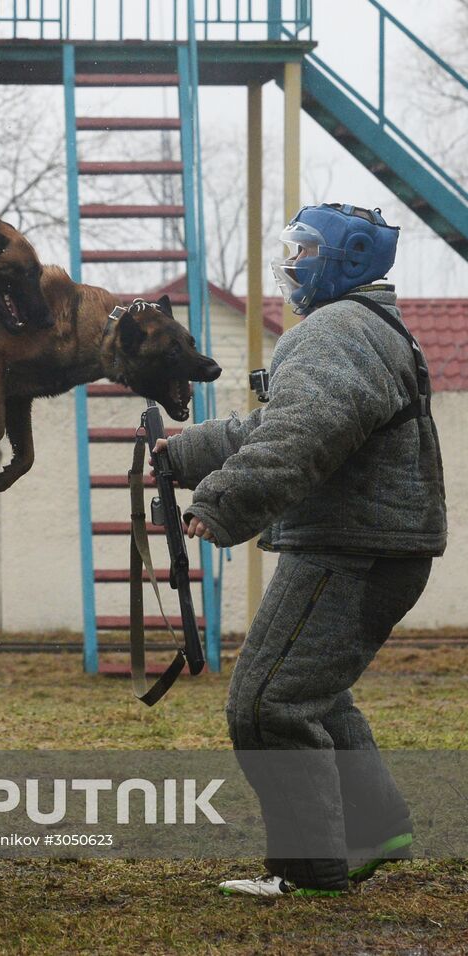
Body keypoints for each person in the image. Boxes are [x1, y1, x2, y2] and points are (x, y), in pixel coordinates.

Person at [155, 203, 447, 897]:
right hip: (376, 546)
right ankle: (378, 830)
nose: (293, 262)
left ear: (346, 257)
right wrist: (190, 452)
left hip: (351, 550)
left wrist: (223, 501)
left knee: (266, 704)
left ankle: (310, 870)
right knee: (309, 692)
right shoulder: (361, 329)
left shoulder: (339, 331)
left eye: (306, 249)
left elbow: (303, 434)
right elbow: (279, 422)